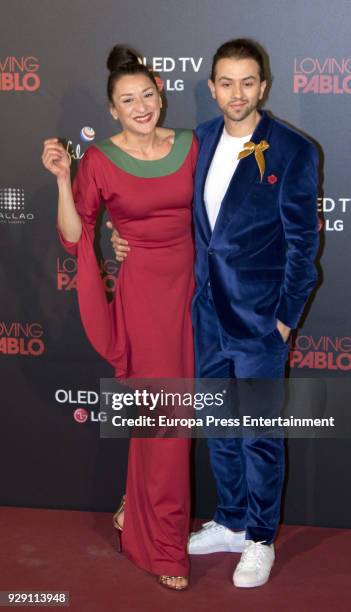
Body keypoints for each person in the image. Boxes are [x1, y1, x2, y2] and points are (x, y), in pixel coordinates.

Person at [112, 39, 319, 588]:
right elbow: (155, 201)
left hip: (259, 323)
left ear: (264, 86)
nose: (237, 93)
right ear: (211, 88)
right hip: (201, 316)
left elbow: (304, 245)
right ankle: (229, 520)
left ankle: (259, 537)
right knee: (219, 427)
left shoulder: (294, 150)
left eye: (247, 82)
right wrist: (121, 237)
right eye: (226, 83)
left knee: (258, 434)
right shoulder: (196, 141)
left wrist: (284, 318)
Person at [41, 45, 198, 591]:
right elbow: (71, 234)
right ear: (112, 109)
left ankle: (136, 504)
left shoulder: (191, 144)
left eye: (147, 96)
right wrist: (64, 181)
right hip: (146, 298)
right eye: (127, 100)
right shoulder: (102, 160)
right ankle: (164, 548)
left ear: (161, 95)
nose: (140, 106)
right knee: (168, 419)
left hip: (198, 293)